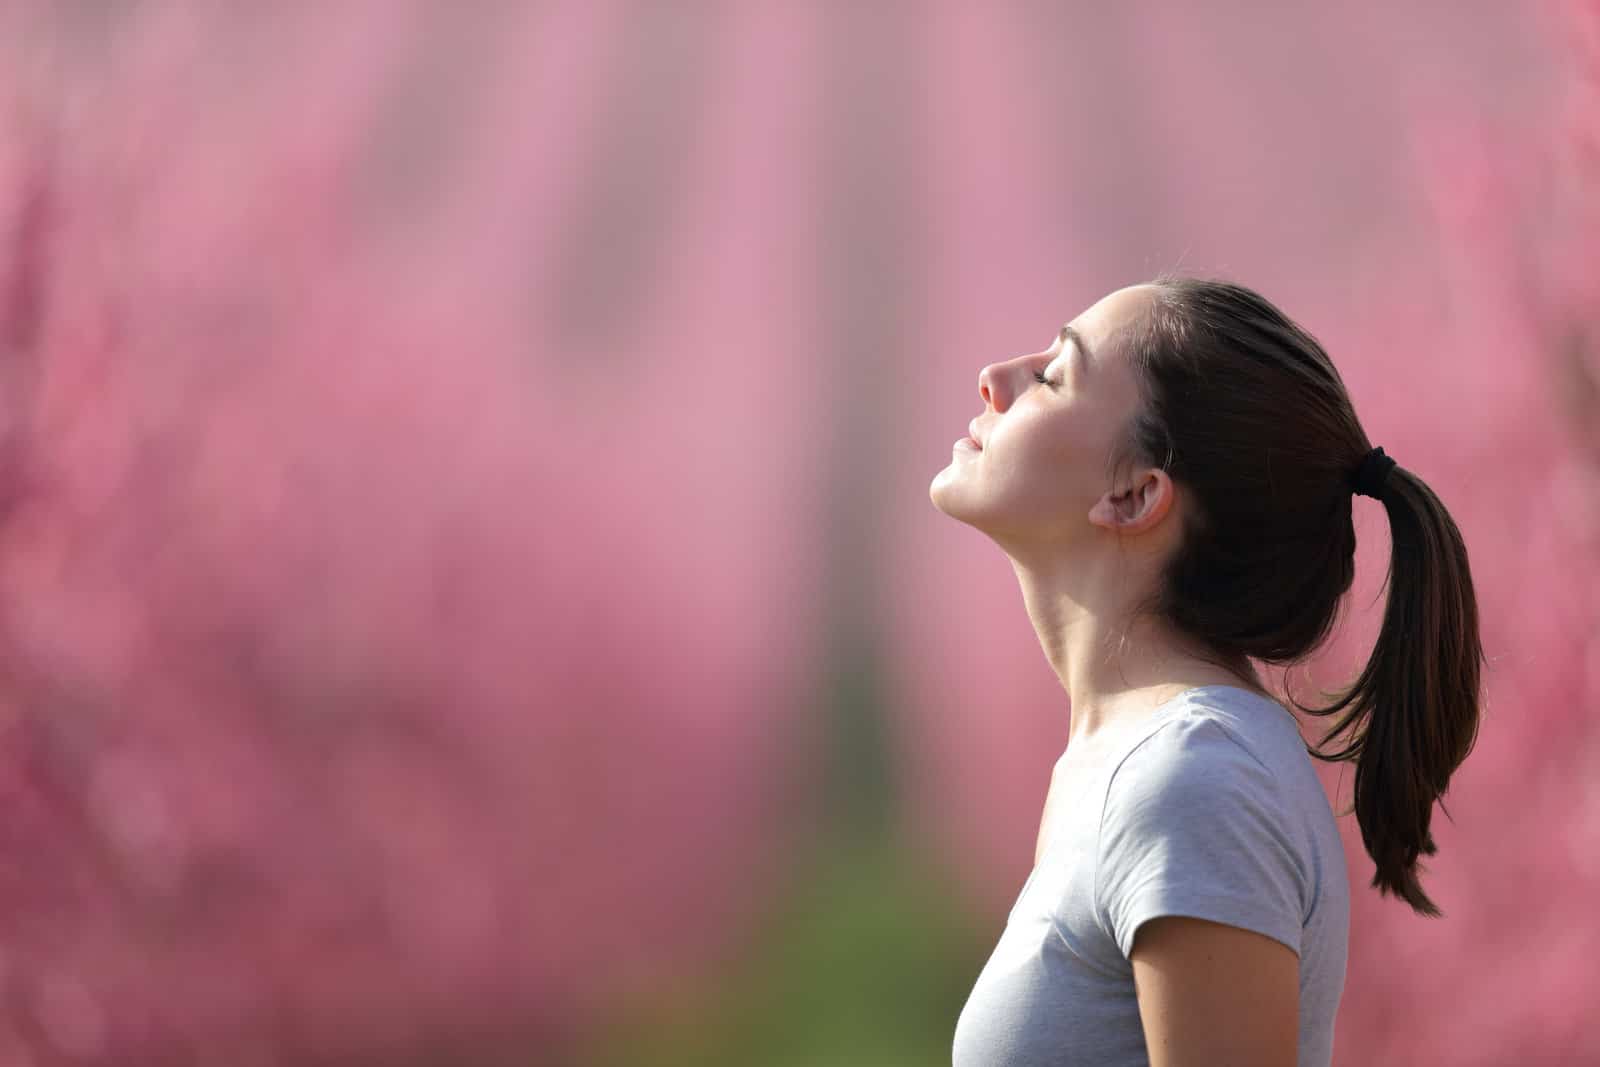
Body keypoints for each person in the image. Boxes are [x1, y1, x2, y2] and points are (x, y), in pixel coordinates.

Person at [931, 276, 1484, 1067]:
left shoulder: (1197, 777)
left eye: (1054, 376)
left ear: (1133, 496)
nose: (997, 377)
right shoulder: (1138, 764)